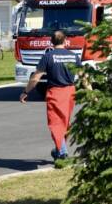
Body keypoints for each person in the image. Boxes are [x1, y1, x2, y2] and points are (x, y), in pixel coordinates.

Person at [19, 30, 81, 161]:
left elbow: (36, 78)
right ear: (65, 41)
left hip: (56, 92)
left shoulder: (48, 56)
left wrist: (25, 92)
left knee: (55, 122)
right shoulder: (74, 56)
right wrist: (92, 93)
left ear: (51, 42)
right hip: (70, 92)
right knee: (64, 122)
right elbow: (84, 76)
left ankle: (62, 152)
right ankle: (59, 150)